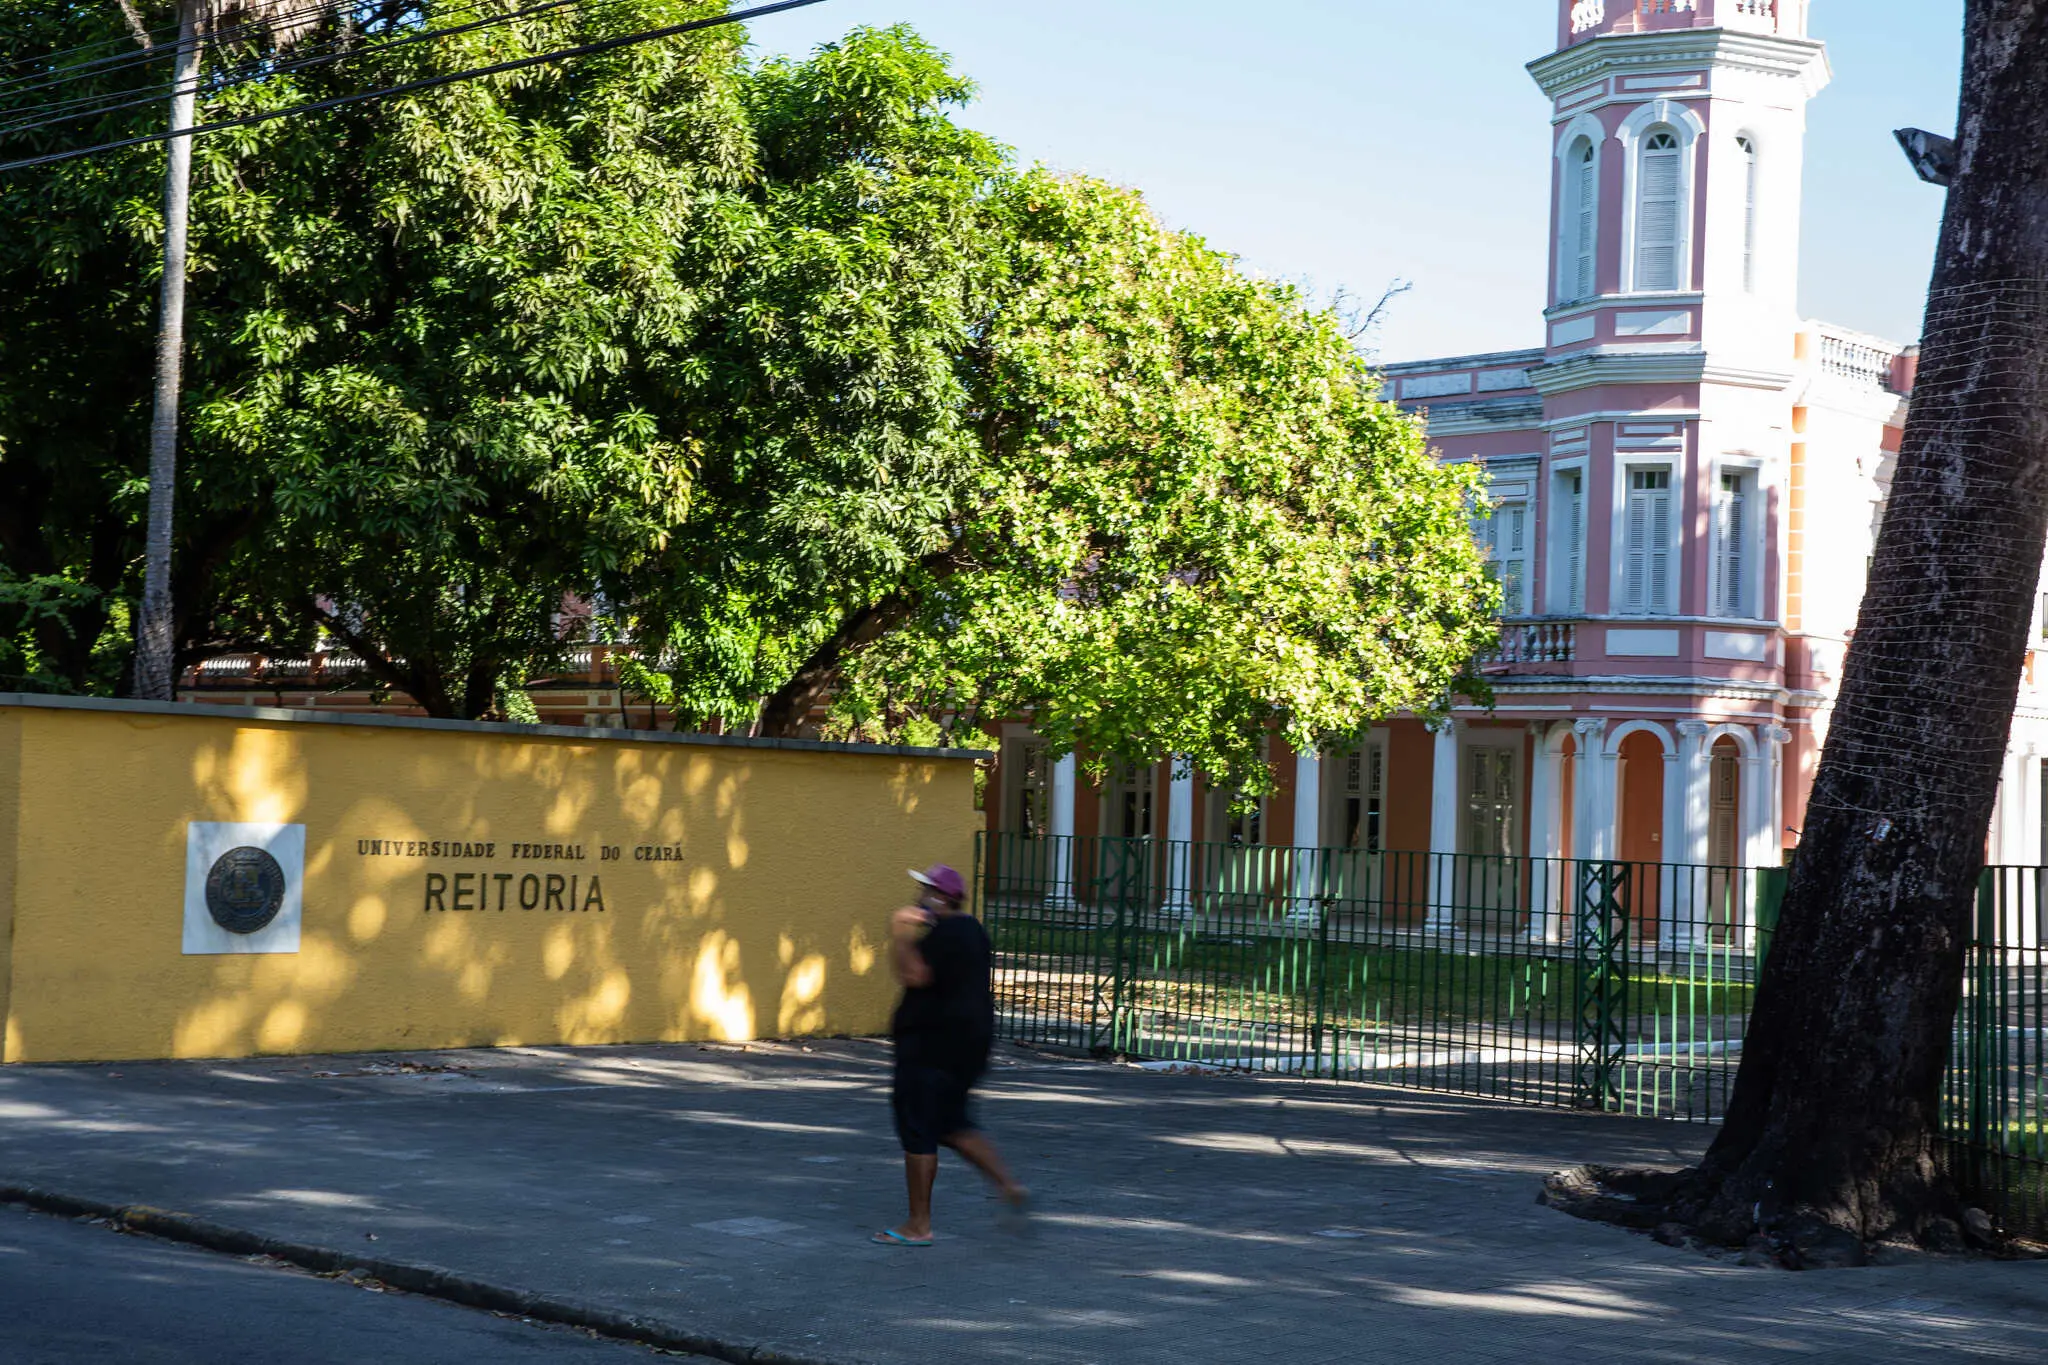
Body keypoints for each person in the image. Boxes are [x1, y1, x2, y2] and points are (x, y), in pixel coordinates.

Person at [871, 863, 1027, 1246]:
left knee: (918, 1126)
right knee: (952, 1124)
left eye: (925, 890)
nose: (918, 896)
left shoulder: (947, 933)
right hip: (966, 1045)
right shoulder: (971, 930)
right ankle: (1009, 1186)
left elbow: (914, 976)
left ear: (940, 897)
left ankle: (918, 1226)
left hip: (932, 1047)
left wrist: (900, 933)